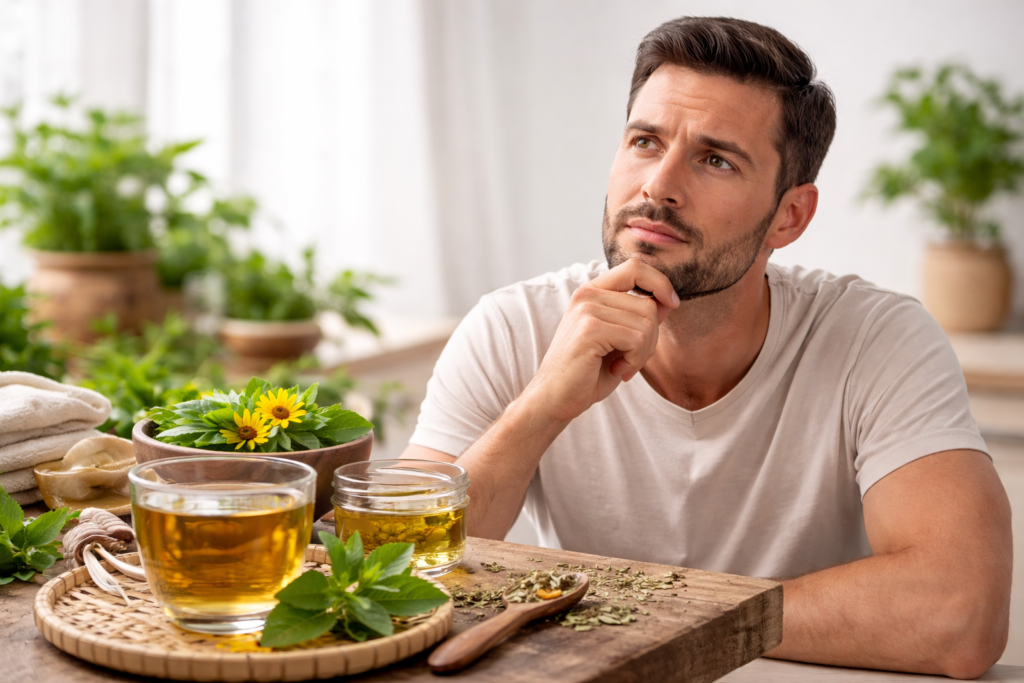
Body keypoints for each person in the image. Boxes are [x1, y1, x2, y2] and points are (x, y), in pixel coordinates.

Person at [400, 16, 1011, 678]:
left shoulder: (877, 339)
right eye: (644, 140)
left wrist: (662, 612)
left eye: (715, 158)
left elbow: (961, 614)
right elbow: (386, 575)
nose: (658, 185)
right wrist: (543, 404)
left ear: (790, 215)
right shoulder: (512, 325)